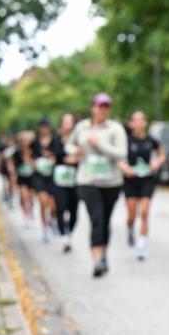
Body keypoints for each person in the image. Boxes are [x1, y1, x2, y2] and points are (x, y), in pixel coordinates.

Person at [67, 93, 127, 277]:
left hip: (110, 181)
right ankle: (96, 259)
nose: (102, 110)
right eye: (99, 106)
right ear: (92, 108)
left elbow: (121, 153)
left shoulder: (115, 128)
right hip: (87, 180)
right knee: (97, 217)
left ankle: (103, 254)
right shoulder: (82, 127)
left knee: (105, 220)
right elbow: (68, 145)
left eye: (106, 107)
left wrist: (99, 144)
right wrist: (75, 150)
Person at [121, 111, 164, 261]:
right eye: (135, 120)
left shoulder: (151, 140)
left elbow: (161, 155)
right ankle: (130, 227)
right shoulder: (126, 141)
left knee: (144, 212)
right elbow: (118, 158)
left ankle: (141, 246)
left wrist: (156, 162)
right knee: (132, 214)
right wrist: (125, 168)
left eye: (141, 120)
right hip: (131, 181)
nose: (138, 123)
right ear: (131, 123)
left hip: (147, 180)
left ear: (145, 123)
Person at [51, 113, 80, 253]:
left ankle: (69, 233)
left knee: (74, 210)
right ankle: (63, 237)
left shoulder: (79, 140)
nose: (68, 125)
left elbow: (83, 154)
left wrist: (76, 159)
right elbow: (52, 155)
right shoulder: (56, 140)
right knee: (61, 207)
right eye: (65, 122)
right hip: (60, 179)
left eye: (70, 122)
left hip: (75, 179)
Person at [31, 116, 59, 243]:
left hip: (52, 175)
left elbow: (59, 155)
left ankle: (53, 220)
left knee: (53, 205)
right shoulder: (34, 142)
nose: (44, 129)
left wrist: (52, 158)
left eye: (46, 126)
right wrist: (34, 163)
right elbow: (28, 156)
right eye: (42, 127)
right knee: (43, 202)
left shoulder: (55, 140)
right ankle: (44, 229)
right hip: (39, 175)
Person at [13, 131, 36, 222]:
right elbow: (15, 166)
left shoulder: (34, 151)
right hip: (22, 177)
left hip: (32, 177)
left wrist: (29, 160)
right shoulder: (17, 153)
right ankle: (25, 211)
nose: (26, 142)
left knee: (31, 197)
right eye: (24, 140)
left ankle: (30, 209)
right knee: (24, 196)